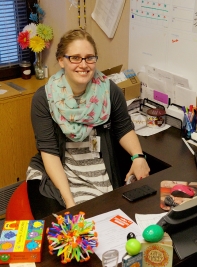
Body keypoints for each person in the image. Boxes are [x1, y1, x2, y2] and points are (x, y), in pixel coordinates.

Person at [26, 29, 150, 218]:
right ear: (61, 60)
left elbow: (124, 127)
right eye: (75, 58)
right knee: (60, 230)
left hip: (96, 166)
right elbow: (49, 151)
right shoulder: (45, 98)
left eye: (89, 58)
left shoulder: (108, 90)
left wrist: (138, 157)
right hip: (58, 168)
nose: (83, 65)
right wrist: (69, 202)